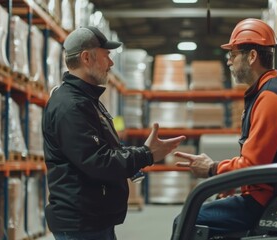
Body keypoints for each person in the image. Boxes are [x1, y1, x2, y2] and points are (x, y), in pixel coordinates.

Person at [42, 26, 186, 240]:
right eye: (106, 56)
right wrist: (146, 154)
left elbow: (105, 150)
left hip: (93, 220)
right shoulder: (71, 106)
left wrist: (142, 152)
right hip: (81, 224)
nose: (111, 63)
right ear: (86, 58)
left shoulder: (87, 102)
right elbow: (98, 162)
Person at [171, 18, 277, 238]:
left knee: (185, 220)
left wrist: (212, 168)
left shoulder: (271, 98)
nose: (229, 62)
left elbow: (253, 164)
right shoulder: (270, 91)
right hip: (266, 190)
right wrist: (233, 183)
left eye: (233, 55)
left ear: (252, 56)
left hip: (263, 199)